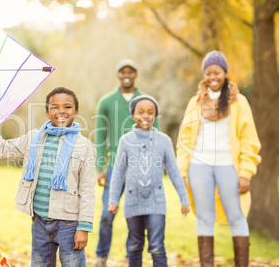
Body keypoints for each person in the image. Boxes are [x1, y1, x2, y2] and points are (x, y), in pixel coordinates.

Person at [0, 87, 96, 267]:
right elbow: (2, 149)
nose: (61, 111)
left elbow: (87, 191)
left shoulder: (85, 147)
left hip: (70, 225)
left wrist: (84, 227)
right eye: (54, 107)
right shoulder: (34, 138)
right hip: (39, 222)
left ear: (76, 112)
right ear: (47, 112)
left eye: (67, 107)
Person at [176, 50, 261, 267]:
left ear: (225, 73)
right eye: (208, 72)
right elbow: (184, 139)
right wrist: (183, 172)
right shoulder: (195, 102)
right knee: (204, 218)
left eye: (217, 72)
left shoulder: (239, 102)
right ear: (204, 75)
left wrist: (245, 173)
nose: (213, 77)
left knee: (237, 216)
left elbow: (249, 139)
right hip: (199, 167)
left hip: (228, 166)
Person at [108, 95, 190, 267]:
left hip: (156, 202)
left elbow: (174, 172)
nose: (145, 116)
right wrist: (113, 200)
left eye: (150, 112)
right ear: (133, 115)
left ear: (155, 116)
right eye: (141, 112)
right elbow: (118, 172)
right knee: (135, 245)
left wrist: (184, 198)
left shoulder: (164, 141)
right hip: (133, 201)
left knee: (157, 246)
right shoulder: (126, 141)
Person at [94, 59, 160, 266]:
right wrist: (100, 168)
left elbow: (155, 137)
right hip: (115, 166)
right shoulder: (106, 101)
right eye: (123, 72)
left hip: (141, 168)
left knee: (136, 214)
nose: (127, 75)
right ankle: (101, 256)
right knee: (107, 213)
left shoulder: (147, 101)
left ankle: (131, 256)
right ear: (118, 75)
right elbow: (100, 136)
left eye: (131, 71)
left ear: (136, 75)